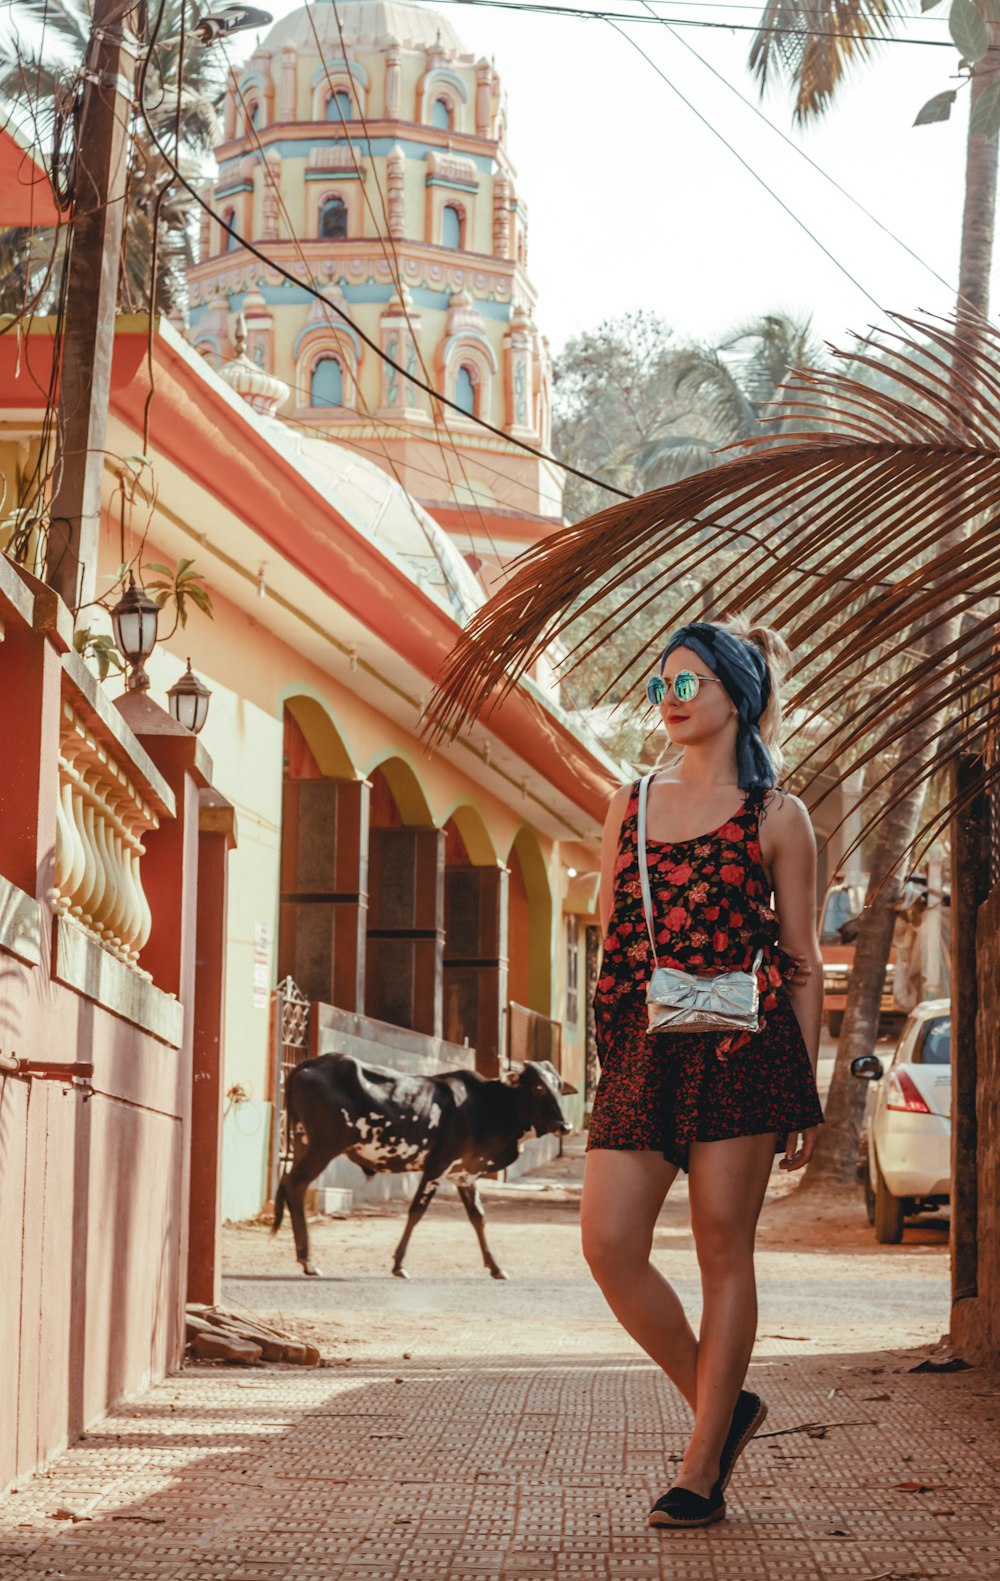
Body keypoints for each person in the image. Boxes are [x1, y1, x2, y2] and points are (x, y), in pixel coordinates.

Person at [581, 617, 825, 1530]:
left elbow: (802, 961)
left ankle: (698, 1468)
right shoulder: (630, 802)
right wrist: (607, 1053)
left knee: (725, 1250)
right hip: (647, 1048)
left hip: (745, 1054)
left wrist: (803, 1087)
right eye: (661, 686)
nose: (670, 701)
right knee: (609, 1243)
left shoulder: (779, 816)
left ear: (737, 695)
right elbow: (616, 935)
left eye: (687, 684)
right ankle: (723, 1409)